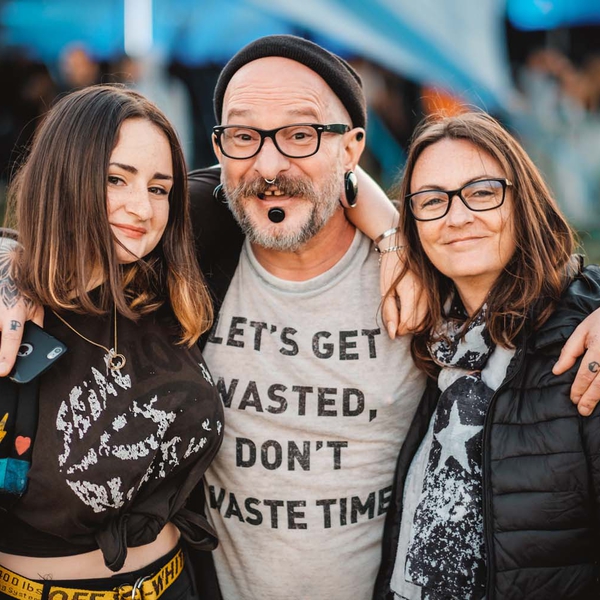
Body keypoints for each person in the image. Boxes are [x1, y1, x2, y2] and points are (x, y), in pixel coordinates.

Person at [2, 36, 600, 600]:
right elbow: (79, 229)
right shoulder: (187, 254)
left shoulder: (426, 258)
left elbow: (532, 285)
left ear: (352, 147)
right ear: (219, 150)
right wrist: (10, 265)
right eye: (244, 137)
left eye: (300, 134)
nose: (269, 164)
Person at [0, 85, 223, 599]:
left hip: (176, 584)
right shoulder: (13, 319)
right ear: (65, 176)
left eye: (159, 187)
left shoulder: (166, 289)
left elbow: (284, 179)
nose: (140, 208)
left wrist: (391, 233)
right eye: (115, 178)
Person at [373, 111, 600, 600]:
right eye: (432, 200)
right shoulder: (431, 343)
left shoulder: (585, 338)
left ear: (524, 202)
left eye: (481, 192)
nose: (457, 217)